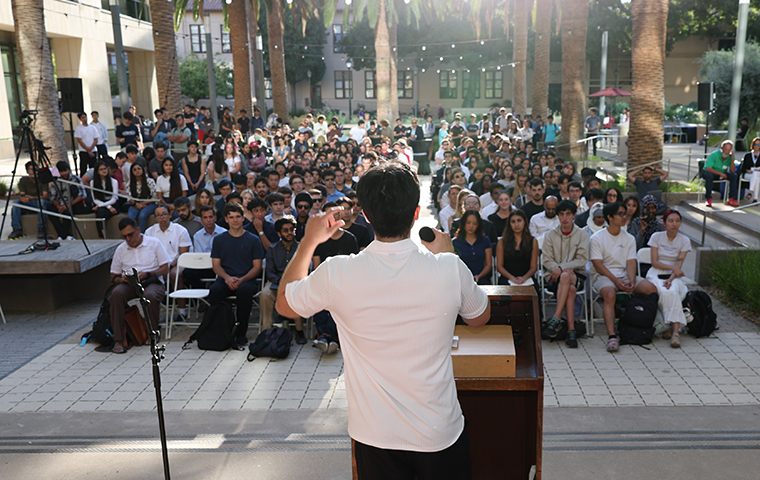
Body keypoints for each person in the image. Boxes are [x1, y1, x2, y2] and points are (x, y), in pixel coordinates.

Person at [276, 163, 489, 478]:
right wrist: (451, 255)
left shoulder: (338, 272)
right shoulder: (448, 267)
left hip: (374, 436)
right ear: (416, 214)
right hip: (438, 431)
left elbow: (284, 304)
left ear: (365, 215)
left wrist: (309, 242)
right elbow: (479, 317)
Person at [590, 201, 658, 353]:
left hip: (625, 274)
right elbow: (598, 265)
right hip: (604, 276)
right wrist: (616, 281)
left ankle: (644, 324)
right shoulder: (597, 238)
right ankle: (612, 335)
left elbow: (631, 263)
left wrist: (631, 281)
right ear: (610, 217)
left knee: (651, 289)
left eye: (625, 213)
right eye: (620, 214)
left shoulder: (629, 238)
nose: (625, 217)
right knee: (610, 294)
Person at [107, 217, 170, 354]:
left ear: (139, 230)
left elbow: (165, 268)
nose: (128, 239)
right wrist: (121, 279)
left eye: (131, 234)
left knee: (149, 296)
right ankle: (118, 339)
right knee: (116, 295)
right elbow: (113, 276)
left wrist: (148, 273)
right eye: (125, 236)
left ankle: (152, 333)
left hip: (152, 280)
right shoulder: (121, 249)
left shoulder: (153, 243)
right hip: (130, 284)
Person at [207, 202, 265, 346]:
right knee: (214, 291)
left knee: (245, 292)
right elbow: (216, 265)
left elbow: (257, 267)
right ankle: (221, 330)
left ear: (243, 218)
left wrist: (241, 279)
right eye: (231, 217)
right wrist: (227, 278)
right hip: (225, 278)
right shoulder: (219, 240)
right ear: (226, 219)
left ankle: (241, 333)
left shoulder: (253, 239)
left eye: (238, 217)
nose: (235, 220)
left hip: (247, 279)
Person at [540, 200, 589, 348]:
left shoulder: (582, 234)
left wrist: (561, 268)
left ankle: (556, 318)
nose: (565, 218)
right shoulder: (550, 235)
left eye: (568, 214)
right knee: (570, 289)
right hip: (554, 277)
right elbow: (546, 259)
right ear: (558, 216)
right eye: (561, 214)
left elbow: (582, 259)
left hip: (575, 275)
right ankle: (571, 331)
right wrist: (559, 270)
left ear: (574, 215)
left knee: (566, 276)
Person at [646, 209, 691, 348]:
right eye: (671, 221)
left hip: (674, 275)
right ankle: (672, 327)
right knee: (665, 292)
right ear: (664, 223)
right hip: (656, 272)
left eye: (677, 221)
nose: (674, 224)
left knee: (671, 291)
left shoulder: (684, 241)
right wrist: (673, 270)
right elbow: (654, 262)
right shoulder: (656, 237)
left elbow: (679, 264)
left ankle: (674, 331)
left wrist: (671, 278)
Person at [259, 216, 307, 344]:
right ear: (279, 233)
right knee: (264, 294)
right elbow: (269, 272)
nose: (290, 233)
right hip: (276, 282)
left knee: (294, 292)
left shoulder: (301, 249)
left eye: (292, 229)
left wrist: (289, 283)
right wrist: (281, 282)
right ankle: (266, 331)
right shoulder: (272, 249)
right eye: (286, 230)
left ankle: (299, 331)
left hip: (295, 283)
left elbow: (304, 270)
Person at [145, 204, 192, 313]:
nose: (162, 218)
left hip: (178, 263)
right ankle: (155, 311)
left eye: (164, 214)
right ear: (155, 217)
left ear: (170, 215)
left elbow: (183, 255)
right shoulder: (149, 232)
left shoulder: (180, 230)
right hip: (158, 265)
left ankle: (182, 310)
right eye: (158, 215)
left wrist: (169, 266)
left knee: (174, 274)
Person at [496, 209, 538, 287]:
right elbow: (499, 266)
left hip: (527, 278)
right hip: (507, 278)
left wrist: (524, 278)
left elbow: (533, 267)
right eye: (513, 221)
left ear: (524, 222)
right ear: (509, 224)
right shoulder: (502, 242)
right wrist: (512, 278)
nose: (516, 224)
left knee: (534, 290)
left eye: (519, 220)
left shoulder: (533, 241)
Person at [47, 161, 88, 240]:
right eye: (61, 171)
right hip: (61, 203)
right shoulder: (56, 181)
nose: (64, 173)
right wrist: (58, 206)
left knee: (68, 211)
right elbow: (53, 197)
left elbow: (83, 194)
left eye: (65, 171)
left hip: (73, 202)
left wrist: (68, 205)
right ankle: (65, 234)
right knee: (50, 211)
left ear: (69, 170)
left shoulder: (75, 179)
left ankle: (62, 235)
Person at [453, 210, 493, 285]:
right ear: (463, 223)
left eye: (475, 223)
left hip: (481, 278)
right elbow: (454, 265)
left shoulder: (485, 240)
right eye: (468, 223)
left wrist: (479, 276)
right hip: (462, 280)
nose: (471, 226)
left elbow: (488, 264)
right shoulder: (455, 242)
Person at [703, 139, 740, 207]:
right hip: (710, 172)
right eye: (725, 149)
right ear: (721, 148)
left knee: (734, 176)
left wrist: (732, 160)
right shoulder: (714, 155)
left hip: (722, 173)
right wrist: (720, 173)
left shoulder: (730, 157)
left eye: (729, 150)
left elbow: (732, 171)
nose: (727, 152)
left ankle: (731, 199)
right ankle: (708, 198)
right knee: (709, 176)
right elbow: (708, 168)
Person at [90, 160, 119, 238]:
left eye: (105, 168)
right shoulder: (93, 182)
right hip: (102, 204)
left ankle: (103, 237)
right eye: (101, 169)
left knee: (100, 213)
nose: (104, 171)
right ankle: (104, 236)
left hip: (112, 203)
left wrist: (104, 206)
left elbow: (114, 198)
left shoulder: (114, 181)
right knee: (100, 213)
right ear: (97, 171)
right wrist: (108, 207)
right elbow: (95, 199)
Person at [126, 162, 158, 233]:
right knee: (130, 216)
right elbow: (129, 198)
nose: (137, 171)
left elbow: (155, 196)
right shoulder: (129, 183)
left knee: (142, 216)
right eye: (134, 170)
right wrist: (136, 204)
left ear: (143, 170)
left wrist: (143, 203)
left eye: (139, 169)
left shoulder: (149, 181)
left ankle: (141, 234)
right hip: (135, 204)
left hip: (149, 203)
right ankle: (132, 234)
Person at [74, 112, 99, 176]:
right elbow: (79, 140)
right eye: (82, 118)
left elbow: (96, 139)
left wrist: (91, 149)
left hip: (93, 150)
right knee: (83, 168)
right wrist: (88, 150)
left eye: (85, 117)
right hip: (83, 151)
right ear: (80, 119)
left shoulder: (92, 127)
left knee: (93, 167)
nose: (84, 119)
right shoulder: (79, 128)